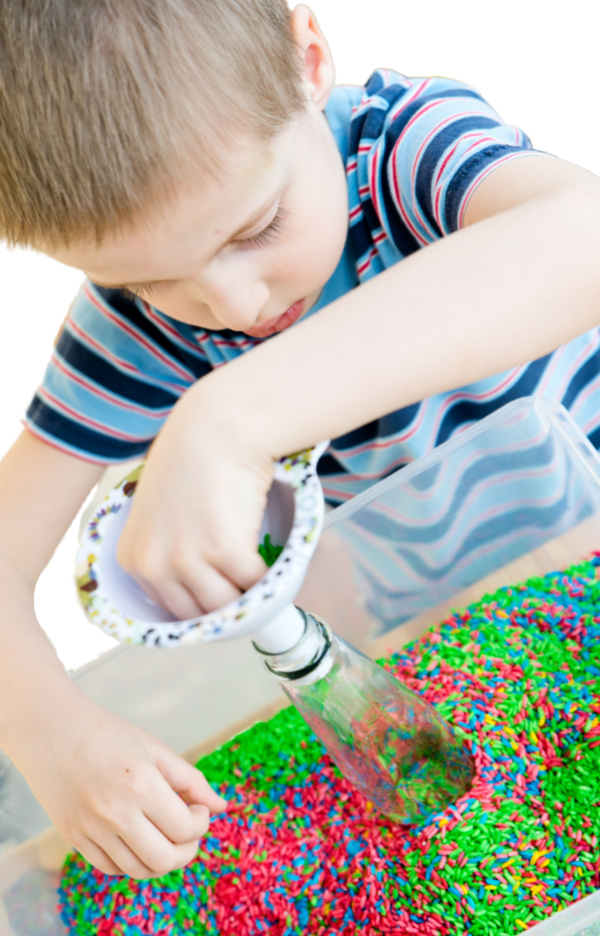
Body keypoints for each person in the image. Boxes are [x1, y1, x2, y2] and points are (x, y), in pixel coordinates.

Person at [1, 0, 600, 882]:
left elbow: (580, 240)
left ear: (306, 59)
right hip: (454, 611)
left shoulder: (404, 152)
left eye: (256, 230)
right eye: (150, 277)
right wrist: (50, 733)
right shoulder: (135, 330)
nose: (233, 308)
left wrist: (230, 418)